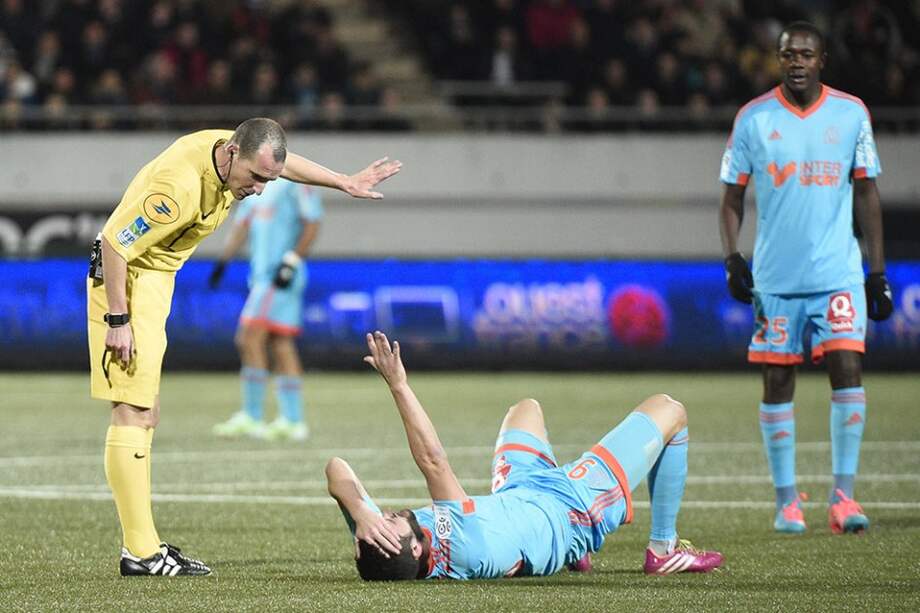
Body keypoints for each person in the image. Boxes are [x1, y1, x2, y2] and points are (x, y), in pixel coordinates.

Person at [88, 117, 401, 576]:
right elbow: (115, 244)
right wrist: (119, 319)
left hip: (155, 277)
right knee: (132, 411)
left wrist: (342, 181)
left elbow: (283, 163)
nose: (258, 189)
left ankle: (145, 545)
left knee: (146, 412)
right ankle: (140, 552)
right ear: (232, 153)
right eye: (255, 177)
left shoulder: (234, 152)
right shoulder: (177, 191)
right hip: (126, 279)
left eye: (267, 180)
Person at [326, 331, 724, 580]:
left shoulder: (385, 543)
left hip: (520, 491)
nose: (388, 516)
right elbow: (432, 460)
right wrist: (398, 384)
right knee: (670, 409)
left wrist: (361, 515)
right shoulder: (458, 544)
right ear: (415, 550)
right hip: (573, 508)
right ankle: (662, 550)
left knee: (525, 409)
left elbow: (336, 469)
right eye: (391, 522)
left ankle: (565, 552)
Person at [718, 22, 893, 536]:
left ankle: (843, 497)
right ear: (778, 60)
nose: (796, 61)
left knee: (847, 367)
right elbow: (731, 199)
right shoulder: (753, 119)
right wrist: (732, 258)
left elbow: (867, 193)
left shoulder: (851, 113)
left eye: (806, 54)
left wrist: (876, 271)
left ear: (822, 61)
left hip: (837, 272)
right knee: (776, 380)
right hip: (775, 279)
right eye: (788, 54)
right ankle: (787, 500)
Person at [209, 178, 323, 441]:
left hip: (279, 275)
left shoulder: (295, 183)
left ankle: (253, 416)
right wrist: (223, 261)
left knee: (248, 337)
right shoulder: (254, 182)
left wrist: (292, 260)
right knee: (279, 342)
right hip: (261, 277)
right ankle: (292, 421)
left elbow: (313, 222)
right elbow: (242, 225)